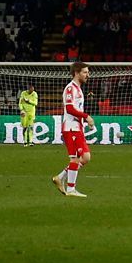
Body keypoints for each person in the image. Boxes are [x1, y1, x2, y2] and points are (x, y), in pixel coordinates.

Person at [51, 61, 91, 198]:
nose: (88, 75)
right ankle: (71, 189)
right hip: (70, 128)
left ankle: (60, 177)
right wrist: (86, 116)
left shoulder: (78, 88)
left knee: (85, 157)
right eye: (85, 72)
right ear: (76, 73)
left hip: (76, 127)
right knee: (76, 159)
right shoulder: (70, 89)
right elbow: (69, 108)